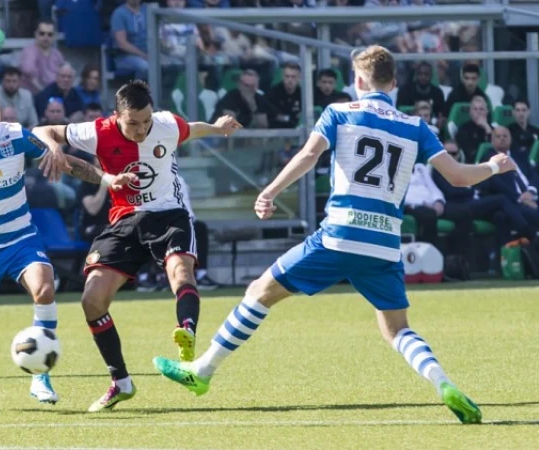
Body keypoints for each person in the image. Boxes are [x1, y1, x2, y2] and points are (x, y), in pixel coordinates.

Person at [152, 46, 518, 425]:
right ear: (393, 84)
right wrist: (492, 166)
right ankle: (443, 382)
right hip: (385, 242)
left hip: (339, 235)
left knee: (259, 292)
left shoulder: (339, 112)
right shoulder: (416, 127)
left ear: (357, 82)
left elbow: (308, 157)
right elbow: (458, 176)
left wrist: (269, 192)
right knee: (397, 329)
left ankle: (203, 372)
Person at [0, 82, 135, 405]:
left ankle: (40, 377)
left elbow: (65, 162)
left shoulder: (15, 136)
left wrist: (105, 179)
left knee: (45, 288)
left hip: (21, 237)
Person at [32, 80, 242, 412]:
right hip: (124, 222)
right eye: (133, 123)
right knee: (92, 301)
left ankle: (185, 330)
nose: (142, 129)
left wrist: (217, 128)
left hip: (168, 215)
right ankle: (121, 383)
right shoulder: (97, 131)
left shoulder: (166, 124)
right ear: (117, 116)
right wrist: (54, 148)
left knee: (180, 273)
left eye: (146, 121)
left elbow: (194, 129)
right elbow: (42, 129)